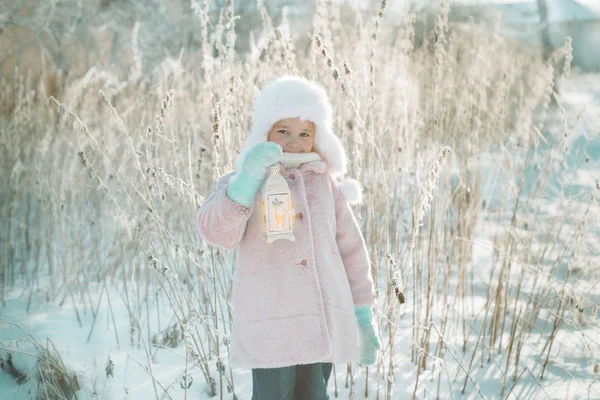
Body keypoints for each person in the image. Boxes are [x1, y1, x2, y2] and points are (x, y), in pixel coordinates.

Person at [197, 75, 381, 400]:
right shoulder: (243, 178)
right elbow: (216, 232)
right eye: (284, 131)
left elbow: (352, 250)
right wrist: (247, 182)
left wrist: (362, 314)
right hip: (272, 325)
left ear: (317, 137)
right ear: (265, 132)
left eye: (304, 133)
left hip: (324, 319)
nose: (294, 142)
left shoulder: (327, 185)